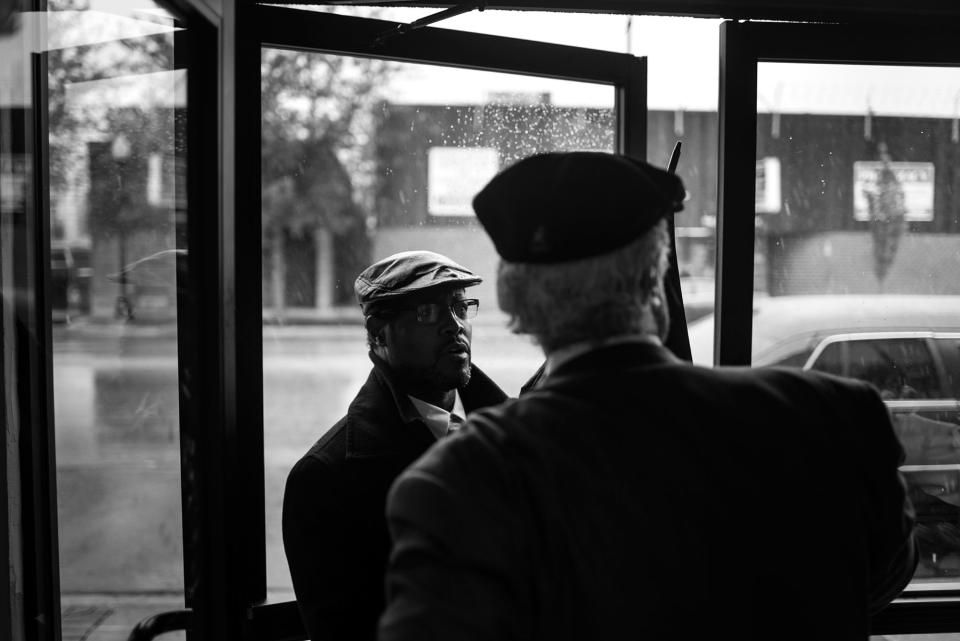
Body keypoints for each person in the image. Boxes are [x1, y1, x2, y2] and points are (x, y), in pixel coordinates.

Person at [378, 152, 917, 640]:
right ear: (657, 284)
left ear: (516, 302)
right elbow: (875, 579)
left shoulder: (455, 485)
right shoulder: (836, 418)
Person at [283, 250, 507, 641]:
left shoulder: (521, 431)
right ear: (379, 334)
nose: (454, 326)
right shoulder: (327, 479)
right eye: (426, 312)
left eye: (459, 306)